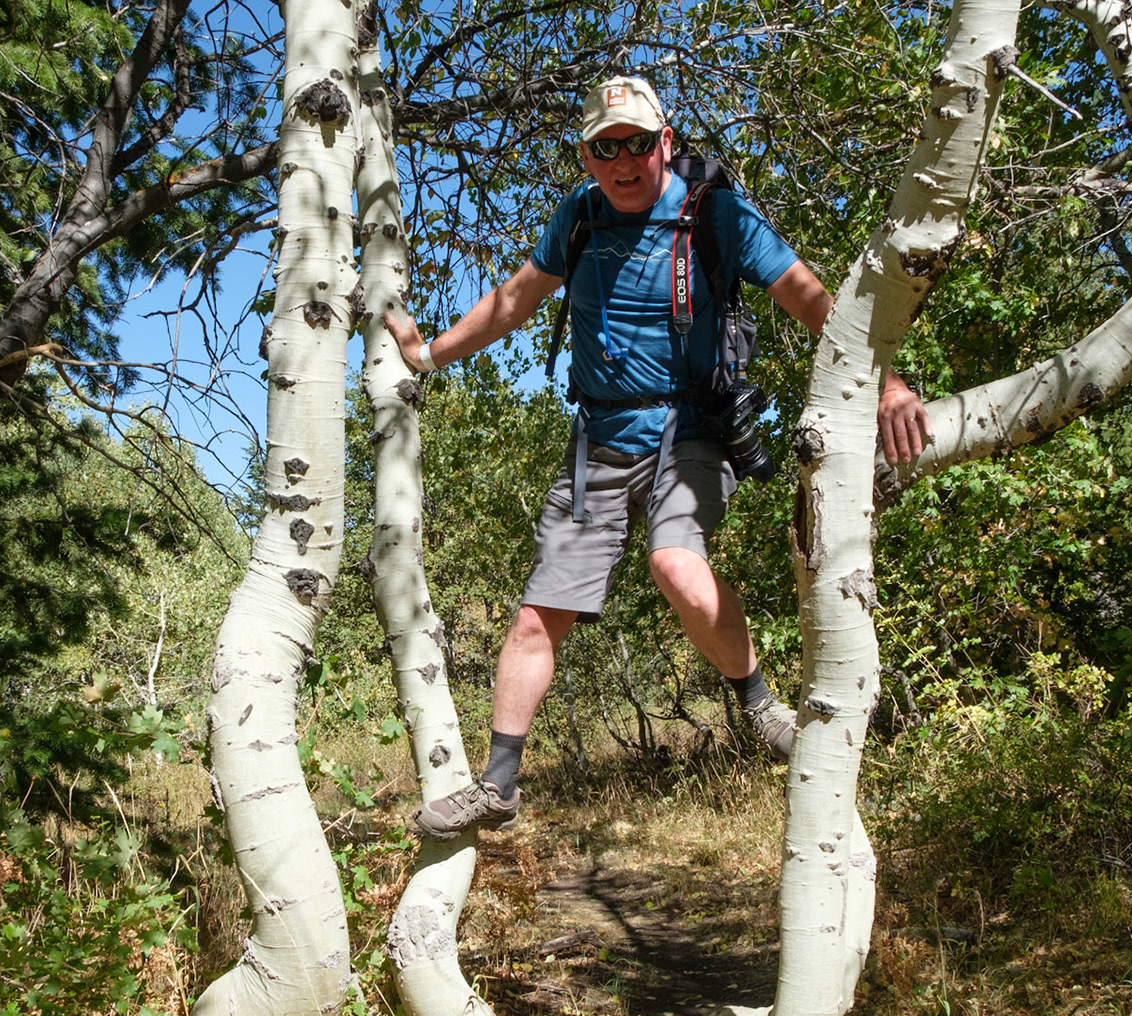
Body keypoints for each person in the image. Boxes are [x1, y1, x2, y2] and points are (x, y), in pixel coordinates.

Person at [385, 76, 930, 839]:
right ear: (586, 156)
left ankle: (757, 704)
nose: (624, 160)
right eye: (606, 147)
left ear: (665, 142)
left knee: (674, 562)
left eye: (638, 142)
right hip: (599, 443)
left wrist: (886, 385)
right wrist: (428, 355)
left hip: (693, 431)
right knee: (540, 613)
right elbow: (513, 301)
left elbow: (810, 298)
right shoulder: (578, 218)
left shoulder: (716, 213)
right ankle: (498, 785)